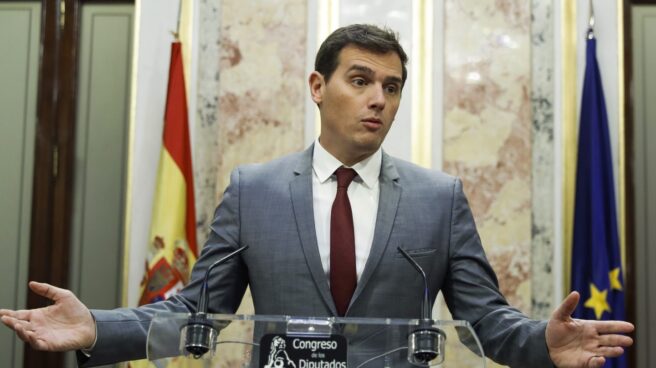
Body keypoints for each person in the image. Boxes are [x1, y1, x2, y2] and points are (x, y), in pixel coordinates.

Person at [1, 24, 633, 368]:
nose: (378, 99)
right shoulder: (255, 191)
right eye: (360, 80)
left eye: (391, 85)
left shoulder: (439, 198)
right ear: (316, 86)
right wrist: (95, 330)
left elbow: (485, 321)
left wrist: (540, 346)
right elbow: (196, 315)